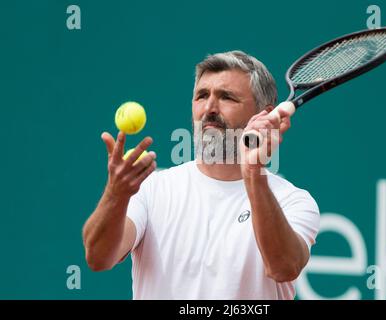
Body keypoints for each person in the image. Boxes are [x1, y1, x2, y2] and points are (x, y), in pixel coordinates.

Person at [82, 51, 320, 299]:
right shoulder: (151, 189)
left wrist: (253, 172)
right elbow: (98, 258)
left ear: (264, 114)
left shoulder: (294, 201)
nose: (209, 108)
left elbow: (283, 267)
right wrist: (115, 194)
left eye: (227, 97)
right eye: (202, 95)